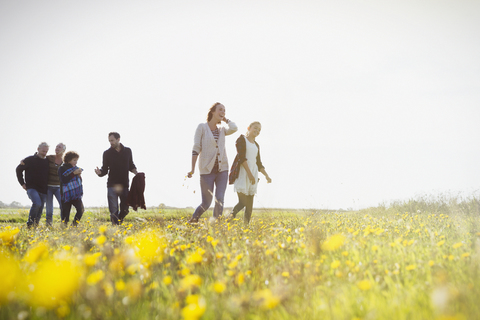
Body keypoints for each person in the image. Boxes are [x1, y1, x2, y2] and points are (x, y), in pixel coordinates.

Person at [187, 102, 238, 223]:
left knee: (219, 198)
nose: (223, 112)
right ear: (212, 112)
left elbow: (234, 128)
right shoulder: (202, 127)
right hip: (206, 170)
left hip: (222, 170)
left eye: (224, 110)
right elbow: (196, 148)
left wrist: (225, 119)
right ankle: (194, 220)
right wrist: (192, 169)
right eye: (220, 110)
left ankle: (216, 224)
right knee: (206, 202)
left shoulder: (222, 130)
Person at [228, 122, 272, 225]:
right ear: (249, 128)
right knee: (242, 202)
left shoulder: (256, 145)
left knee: (249, 205)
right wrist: (249, 174)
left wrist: (266, 175)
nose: (257, 131)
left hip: (253, 175)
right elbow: (241, 158)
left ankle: (246, 228)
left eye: (259, 130)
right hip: (243, 174)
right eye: (255, 128)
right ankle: (229, 218)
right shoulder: (241, 140)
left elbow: (259, 163)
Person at [95, 132, 138, 225]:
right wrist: (100, 173)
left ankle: (118, 222)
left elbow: (131, 165)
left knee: (125, 210)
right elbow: (105, 169)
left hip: (124, 185)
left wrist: (137, 173)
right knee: (113, 210)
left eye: (112, 140)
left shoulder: (128, 151)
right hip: (112, 185)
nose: (111, 143)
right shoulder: (107, 153)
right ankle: (115, 228)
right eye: (109, 141)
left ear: (118, 139)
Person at [16, 142, 50, 228]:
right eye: (43, 151)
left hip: (44, 189)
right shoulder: (29, 160)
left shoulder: (47, 161)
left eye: (46, 151)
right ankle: (30, 224)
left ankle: (35, 226)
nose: (45, 153)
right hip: (31, 187)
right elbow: (18, 169)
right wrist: (22, 183)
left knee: (40, 209)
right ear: (38, 149)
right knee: (37, 203)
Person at [58, 151, 84, 227]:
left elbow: (79, 182)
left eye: (76, 160)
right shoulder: (62, 168)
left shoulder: (75, 169)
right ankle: (63, 230)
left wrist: (78, 175)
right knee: (65, 214)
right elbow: (64, 180)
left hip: (76, 194)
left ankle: (74, 226)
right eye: (74, 160)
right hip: (66, 194)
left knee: (81, 210)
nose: (76, 162)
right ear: (68, 160)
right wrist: (74, 173)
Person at [45, 143, 66, 226]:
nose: (57, 148)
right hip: (48, 187)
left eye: (59, 147)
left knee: (63, 206)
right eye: (56, 146)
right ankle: (48, 225)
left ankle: (63, 224)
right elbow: (39, 159)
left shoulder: (65, 161)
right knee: (49, 208)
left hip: (59, 187)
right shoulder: (49, 158)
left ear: (63, 150)